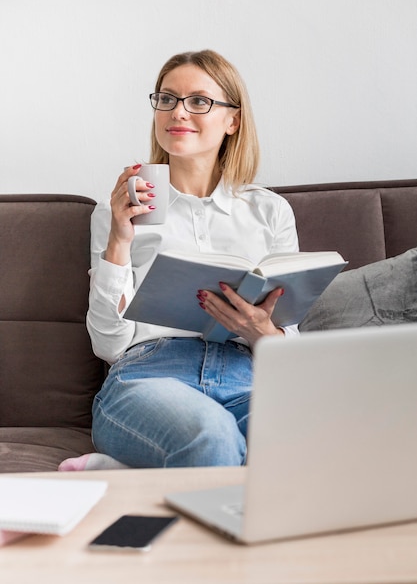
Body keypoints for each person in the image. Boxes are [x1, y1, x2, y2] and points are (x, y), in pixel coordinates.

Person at [59, 49, 299, 472]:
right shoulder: (119, 210)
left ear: (233, 120)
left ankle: (127, 473)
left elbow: (291, 348)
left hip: (249, 377)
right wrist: (119, 238)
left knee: (302, 444)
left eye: (199, 101)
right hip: (150, 374)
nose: (178, 112)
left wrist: (263, 332)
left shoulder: (269, 211)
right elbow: (109, 345)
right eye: (167, 99)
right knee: (212, 434)